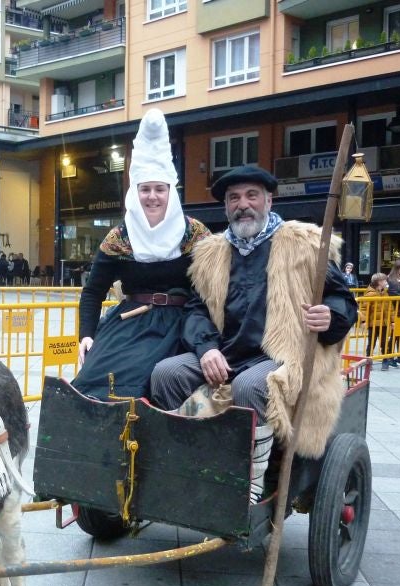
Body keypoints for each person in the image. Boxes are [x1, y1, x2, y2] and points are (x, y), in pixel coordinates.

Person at [149, 165, 357, 502]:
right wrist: (206, 350)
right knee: (165, 373)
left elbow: (341, 298)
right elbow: (196, 310)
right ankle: (194, 461)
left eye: (251, 196)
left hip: (284, 355)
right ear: (226, 207)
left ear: (269, 201)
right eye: (234, 198)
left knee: (250, 386)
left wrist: (330, 314)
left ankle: (247, 483)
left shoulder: (303, 243)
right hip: (227, 354)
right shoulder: (210, 253)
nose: (243, 204)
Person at [72, 109, 210, 401]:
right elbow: (93, 291)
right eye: (145, 189)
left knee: (142, 378)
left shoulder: (195, 234)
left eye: (160, 189)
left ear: (171, 192)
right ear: (135, 193)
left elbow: (214, 289)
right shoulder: (120, 237)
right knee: (93, 377)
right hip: (129, 322)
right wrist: (86, 334)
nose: (152, 196)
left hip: (181, 324)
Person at [362, 273, 393, 370]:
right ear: (379, 282)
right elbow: (364, 309)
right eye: (384, 280)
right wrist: (363, 321)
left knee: (384, 342)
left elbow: (390, 309)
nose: (386, 282)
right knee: (371, 342)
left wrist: (392, 321)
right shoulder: (370, 294)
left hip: (383, 323)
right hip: (373, 324)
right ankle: (368, 361)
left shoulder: (385, 293)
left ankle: (385, 360)